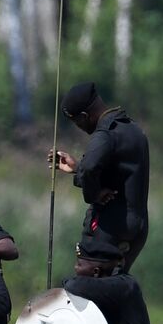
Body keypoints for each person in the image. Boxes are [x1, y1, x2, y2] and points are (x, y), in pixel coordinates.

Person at [49, 81, 150, 272]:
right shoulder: (133, 129)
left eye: (77, 122)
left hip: (110, 226)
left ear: (84, 116)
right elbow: (115, 173)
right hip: (137, 226)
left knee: (86, 281)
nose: (78, 127)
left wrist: (93, 194)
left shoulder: (105, 135)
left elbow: (89, 169)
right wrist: (76, 168)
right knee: (115, 287)